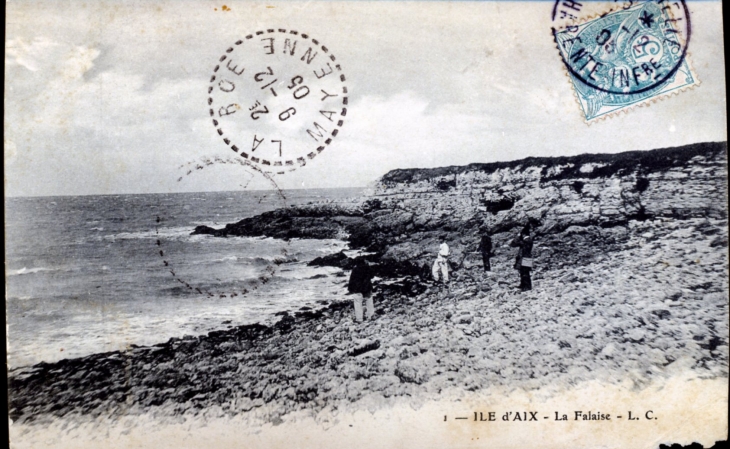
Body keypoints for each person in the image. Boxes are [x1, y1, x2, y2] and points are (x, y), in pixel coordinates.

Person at [511, 224, 534, 291]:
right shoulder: (528, 240)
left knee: (525, 273)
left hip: (525, 258)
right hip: (526, 258)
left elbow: (513, 243)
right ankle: (524, 285)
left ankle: (526, 287)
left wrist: (518, 236)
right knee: (523, 272)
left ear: (523, 234)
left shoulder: (526, 241)